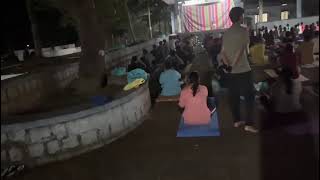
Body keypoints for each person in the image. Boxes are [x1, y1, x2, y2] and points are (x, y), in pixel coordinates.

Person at [221, 7, 258, 133]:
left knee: (234, 96)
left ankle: (237, 120)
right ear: (240, 17)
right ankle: (249, 124)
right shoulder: (243, 31)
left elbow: (223, 52)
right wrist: (233, 65)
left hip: (230, 72)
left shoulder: (226, 33)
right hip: (243, 69)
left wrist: (227, 66)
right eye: (242, 15)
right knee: (249, 97)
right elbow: (243, 50)